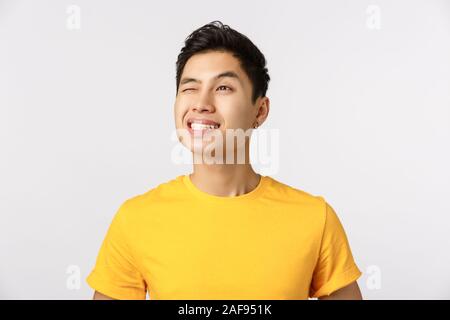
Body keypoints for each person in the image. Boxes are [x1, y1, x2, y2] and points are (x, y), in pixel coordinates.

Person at [86, 21, 363, 300]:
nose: (201, 103)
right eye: (190, 88)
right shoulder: (136, 219)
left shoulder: (315, 218)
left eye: (223, 88)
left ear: (261, 110)